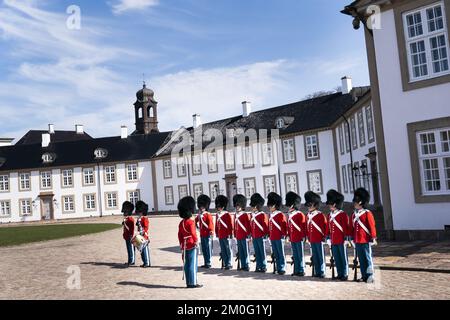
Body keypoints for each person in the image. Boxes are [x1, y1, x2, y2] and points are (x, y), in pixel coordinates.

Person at [350, 188, 377, 283]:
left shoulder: (367, 213)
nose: (355, 203)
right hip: (357, 240)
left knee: (367, 258)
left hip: (365, 239)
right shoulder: (354, 215)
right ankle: (364, 275)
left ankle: (370, 275)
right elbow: (352, 228)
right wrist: (352, 238)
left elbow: (371, 226)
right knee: (361, 259)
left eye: (356, 202)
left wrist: (373, 237)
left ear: (361, 202)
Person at [177, 196, 202, 289]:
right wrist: (196, 241)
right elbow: (193, 233)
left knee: (187, 264)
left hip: (185, 245)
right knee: (193, 264)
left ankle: (188, 282)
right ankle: (193, 282)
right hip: (191, 244)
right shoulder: (190, 222)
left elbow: (179, 235)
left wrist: (181, 244)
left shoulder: (181, 223)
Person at [326, 189, 350, 280]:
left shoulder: (342, 215)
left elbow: (345, 228)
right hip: (333, 240)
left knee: (343, 258)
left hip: (341, 240)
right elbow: (328, 227)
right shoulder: (329, 215)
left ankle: (345, 273)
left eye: (330, 204)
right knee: (336, 258)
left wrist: (346, 239)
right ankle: (339, 273)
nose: (329, 206)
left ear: (335, 204)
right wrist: (328, 237)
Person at [305, 191, 328, 278]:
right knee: (315, 256)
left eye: (310, 205)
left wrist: (325, 236)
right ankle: (317, 271)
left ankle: (322, 271)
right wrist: (308, 237)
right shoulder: (308, 215)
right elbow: (307, 227)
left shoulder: (320, 215)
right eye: (308, 205)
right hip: (312, 239)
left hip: (319, 238)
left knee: (320, 255)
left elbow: (325, 227)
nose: (308, 207)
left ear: (315, 205)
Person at [285, 191, 307, 277]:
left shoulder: (299, 214)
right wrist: (289, 236)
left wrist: (304, 237)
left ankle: (301, 269)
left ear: (293, 205)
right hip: (293, 238)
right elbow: (289, 227)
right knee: (295, 255)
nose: (288, 207)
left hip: (299, 237)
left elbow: (303, 227)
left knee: (300, 254)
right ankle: (296, 269)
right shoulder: (290, 215)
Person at [267, 192, 288, 275]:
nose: (269, 207)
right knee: (275, 253)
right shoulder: (271, 215)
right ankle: (277, 267)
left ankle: (282, 267)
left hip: (279, 237)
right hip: (273, 237)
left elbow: (283, 226)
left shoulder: (280, 215)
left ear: (275, 206)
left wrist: (284, 235)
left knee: (280, 253)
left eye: (270, 205)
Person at [249, 193, 269, 273]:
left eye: (253, 206)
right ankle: (258, 266)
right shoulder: (253, 215)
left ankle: (264, 266)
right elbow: (251, 226)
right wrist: (251, 235)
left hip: (260, 236)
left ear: (257, 206)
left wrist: (265, 235)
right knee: (257, 252)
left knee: (262, 251)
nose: (252, 208)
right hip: (254, 236)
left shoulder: (262, 215)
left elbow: (265, 226)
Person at [195, 195, 214, 269]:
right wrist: (196, 227)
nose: (201, 208)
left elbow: (211, 224)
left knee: (208, 248)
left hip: (207, 234)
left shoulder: (208, 215)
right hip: (202, 234)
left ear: (205, 207)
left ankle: (208, 262)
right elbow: (195, 221)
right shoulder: (199, 215)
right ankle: (206, 262)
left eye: (203, 207)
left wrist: (211, 231)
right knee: (204, 249)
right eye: (200, 207)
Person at [233, 194, 251, 271]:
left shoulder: (245, 215)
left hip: (244, 236)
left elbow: (247, 226)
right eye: (236, 206)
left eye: (238, 206)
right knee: (241, 251)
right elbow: (235, 226)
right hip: (238, 236)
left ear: (242, 206)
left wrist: (248, 236)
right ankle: (243, 265)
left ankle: (247, 265)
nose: (237, 208)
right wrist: (235, 235)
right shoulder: (235, 215)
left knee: (245, 251)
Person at [215, 195, 233, 270]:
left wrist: (230, 234)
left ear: (223, 207)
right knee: (223, 249)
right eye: (218, 207)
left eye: (220, 207)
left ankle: (229, 263)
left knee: (227, 249)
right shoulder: (217, 215)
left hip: (226, 234)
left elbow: (230, 225)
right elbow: (216, 224)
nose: (218, 208)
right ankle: (225, 262)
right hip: (220, 235)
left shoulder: (226, 214)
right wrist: (216, 233)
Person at [136, 200, 151, 268]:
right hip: (140, 235)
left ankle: (147, 263)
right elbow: (138, 227)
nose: (138, 213)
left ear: (142, 212)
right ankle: (144, 262)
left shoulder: (145, 219)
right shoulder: (139, 218)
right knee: (141, 250)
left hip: (144, 236)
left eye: (139, 212)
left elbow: (146, 227)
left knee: (145, 250)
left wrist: (142, 232)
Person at [122, 201, 135, 267]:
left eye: (125, 212)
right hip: (126, 236)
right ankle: (130, 260)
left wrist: (131, 236)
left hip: (130, 236)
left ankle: (132, 261)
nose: (124, 213)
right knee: (128, 249)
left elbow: (131, 229)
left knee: (131, 249)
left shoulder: (130, 219)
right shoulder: (127, 219)